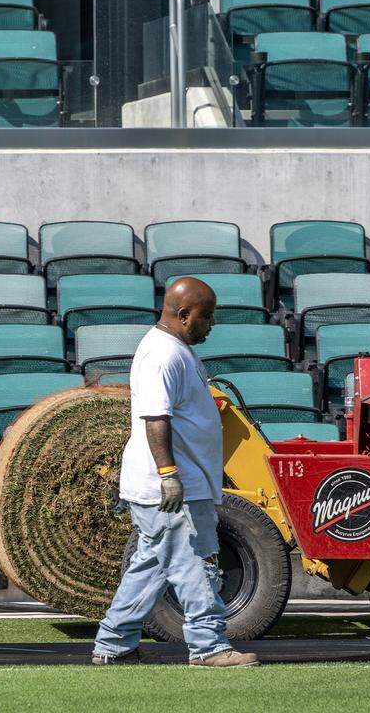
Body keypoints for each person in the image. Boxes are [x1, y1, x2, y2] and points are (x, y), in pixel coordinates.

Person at [92, 277, 259, 668]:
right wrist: (169, 473)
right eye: (207, 316)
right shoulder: (163, 354)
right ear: (184, 315)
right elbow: (156, 417)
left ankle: (112, 644)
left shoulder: (175, 350)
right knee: (195, 563)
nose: (212, 324)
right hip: (172, 486)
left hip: (177, 483)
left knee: (151, 564)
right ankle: (209, 646)